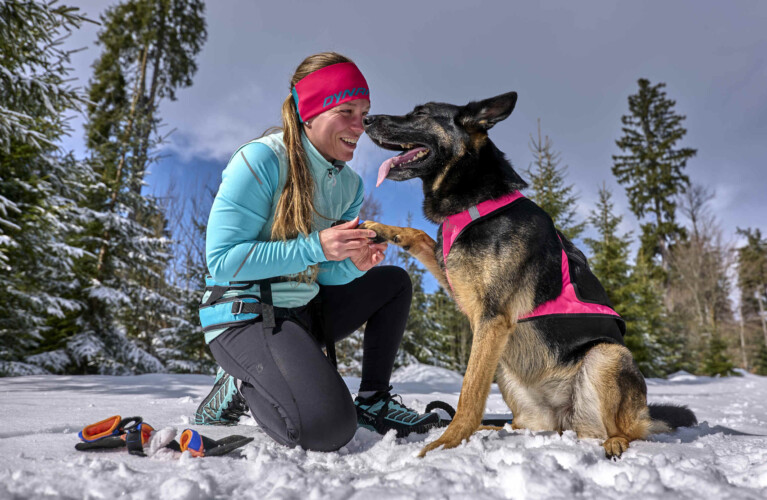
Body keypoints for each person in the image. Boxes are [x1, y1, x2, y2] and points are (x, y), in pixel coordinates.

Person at [193, 52, 440, 452]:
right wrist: (316, 245)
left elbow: (323, 273)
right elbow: (223, 262)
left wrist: (353, 265)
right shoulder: (261, 159)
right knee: (327, 429)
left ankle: (374, 400)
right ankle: (241, 382)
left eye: (364, 114)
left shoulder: (350, 185)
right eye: (347, 112)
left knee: (393, 282)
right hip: (244, 314)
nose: (360, 126)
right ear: (309, 112)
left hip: (302, 312)